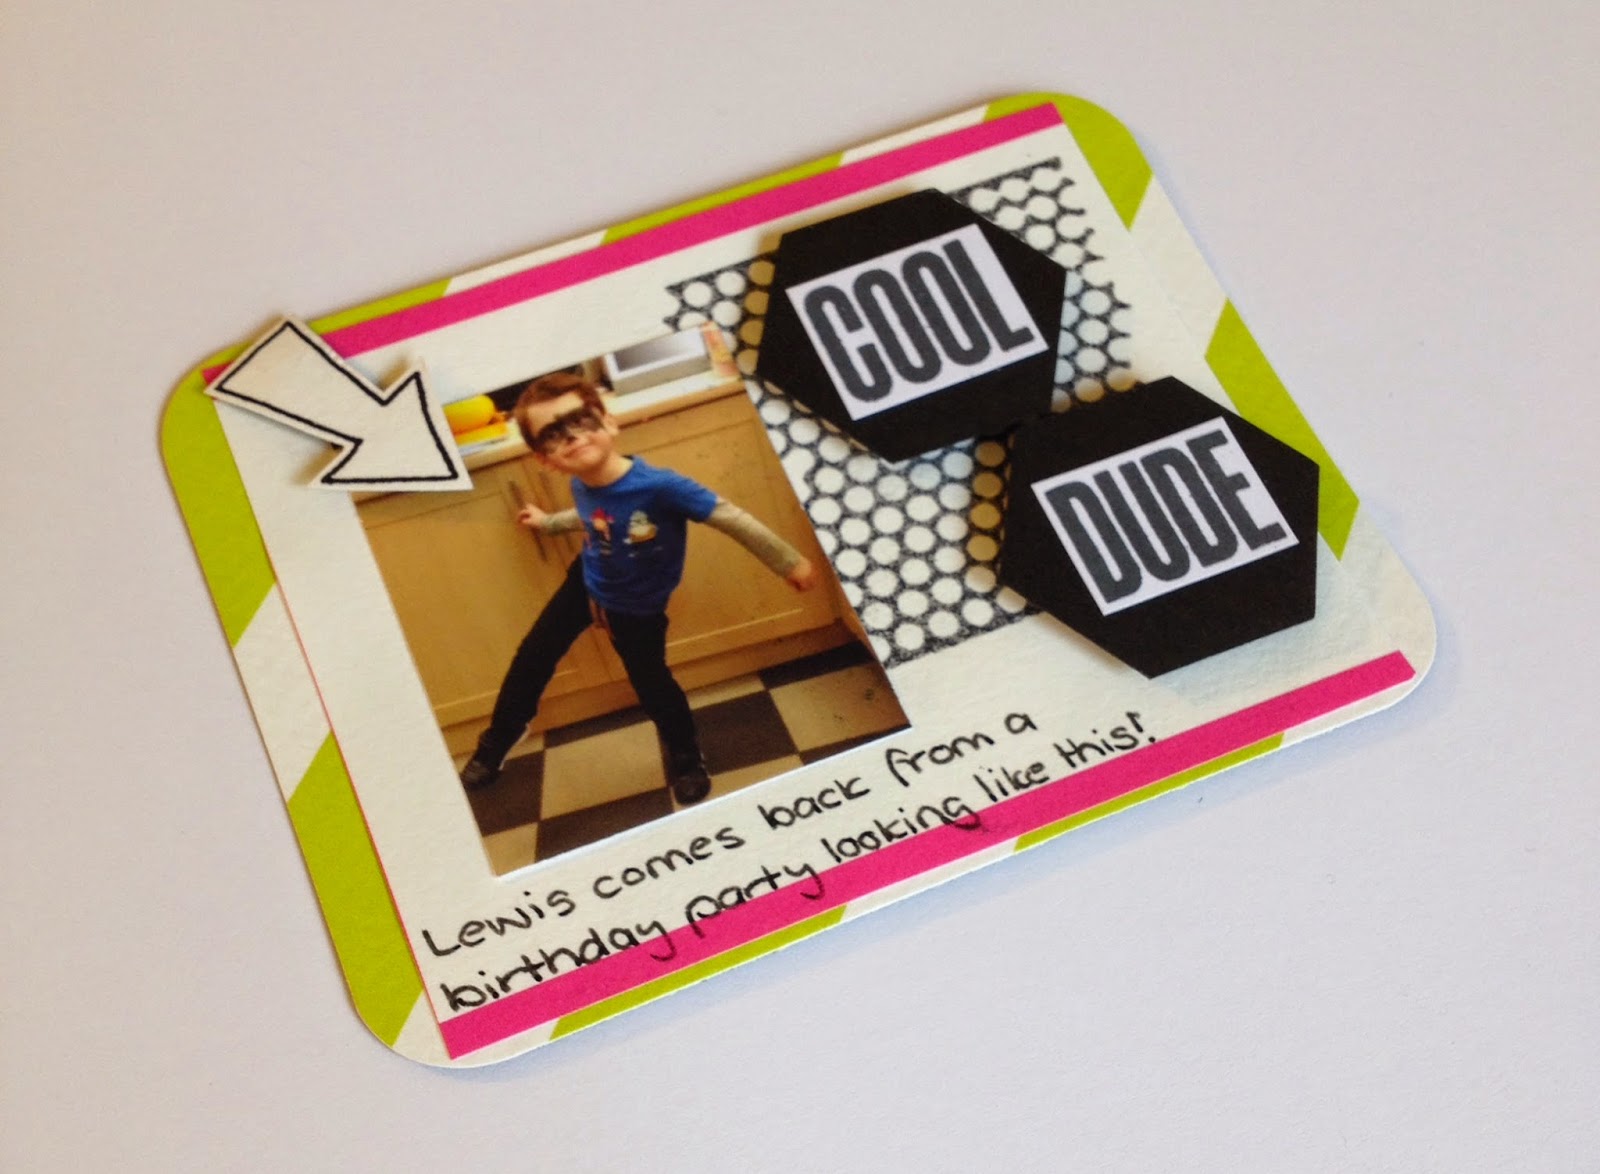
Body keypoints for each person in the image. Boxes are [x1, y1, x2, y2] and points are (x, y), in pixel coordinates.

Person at [459, 372, 820, 804]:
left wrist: (788, 562)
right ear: (545, 459)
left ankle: (687, 758)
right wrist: (549, 523)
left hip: (636, 609)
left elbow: (730, 517)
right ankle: (499, 739)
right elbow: (593, 516)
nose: (571, 436)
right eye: (553, 434)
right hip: (586, 582)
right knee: (532, 656)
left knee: (651, 684)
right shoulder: (581, 483)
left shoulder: (662, 488)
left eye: (580, 420)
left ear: (609, 422)